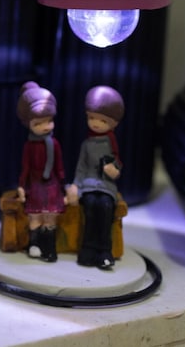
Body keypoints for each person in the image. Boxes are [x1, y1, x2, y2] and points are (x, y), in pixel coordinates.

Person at [66, 85, 124, 270]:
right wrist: (76, 186)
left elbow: (117, 163)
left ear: (113, 123)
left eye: (102, 120)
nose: (96, 123)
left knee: (105, 207)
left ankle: (104, 251)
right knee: (90, 206)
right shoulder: (86, 144)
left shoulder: (111, 142)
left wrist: (114, 170)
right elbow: (81, 168)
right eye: (91, 118)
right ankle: (88, 248)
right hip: (89, 185)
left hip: (107, 186)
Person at [15, 81, 65, 262]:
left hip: (52, 186)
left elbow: (59, 167)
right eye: (39, 123)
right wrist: (22, 186)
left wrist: (64, 186)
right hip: (35, 185)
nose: (46, 126)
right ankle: (34, 244)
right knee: (35, 217)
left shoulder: (55, 144)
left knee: (50, 218)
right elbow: (25, 167)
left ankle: (49, 248)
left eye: (49, 121)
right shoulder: (29, 145)